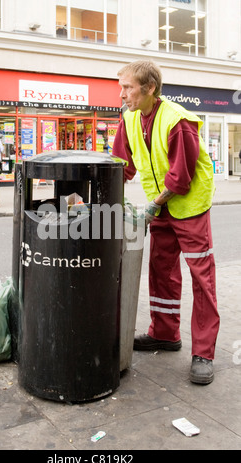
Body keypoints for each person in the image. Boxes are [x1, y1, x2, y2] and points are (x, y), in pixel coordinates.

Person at [113, 60, 220, 385]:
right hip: (160, 208)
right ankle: (164, 333)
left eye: (128, 87)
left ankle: (203, 352)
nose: (123, 94)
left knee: (201, 277)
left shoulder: (179, 121)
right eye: (122, 87)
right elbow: (121, 165)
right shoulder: (130, 119)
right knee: (161, 269)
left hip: (188, 206)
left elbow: (181, 178)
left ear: (150, 89)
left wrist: (151, 207)